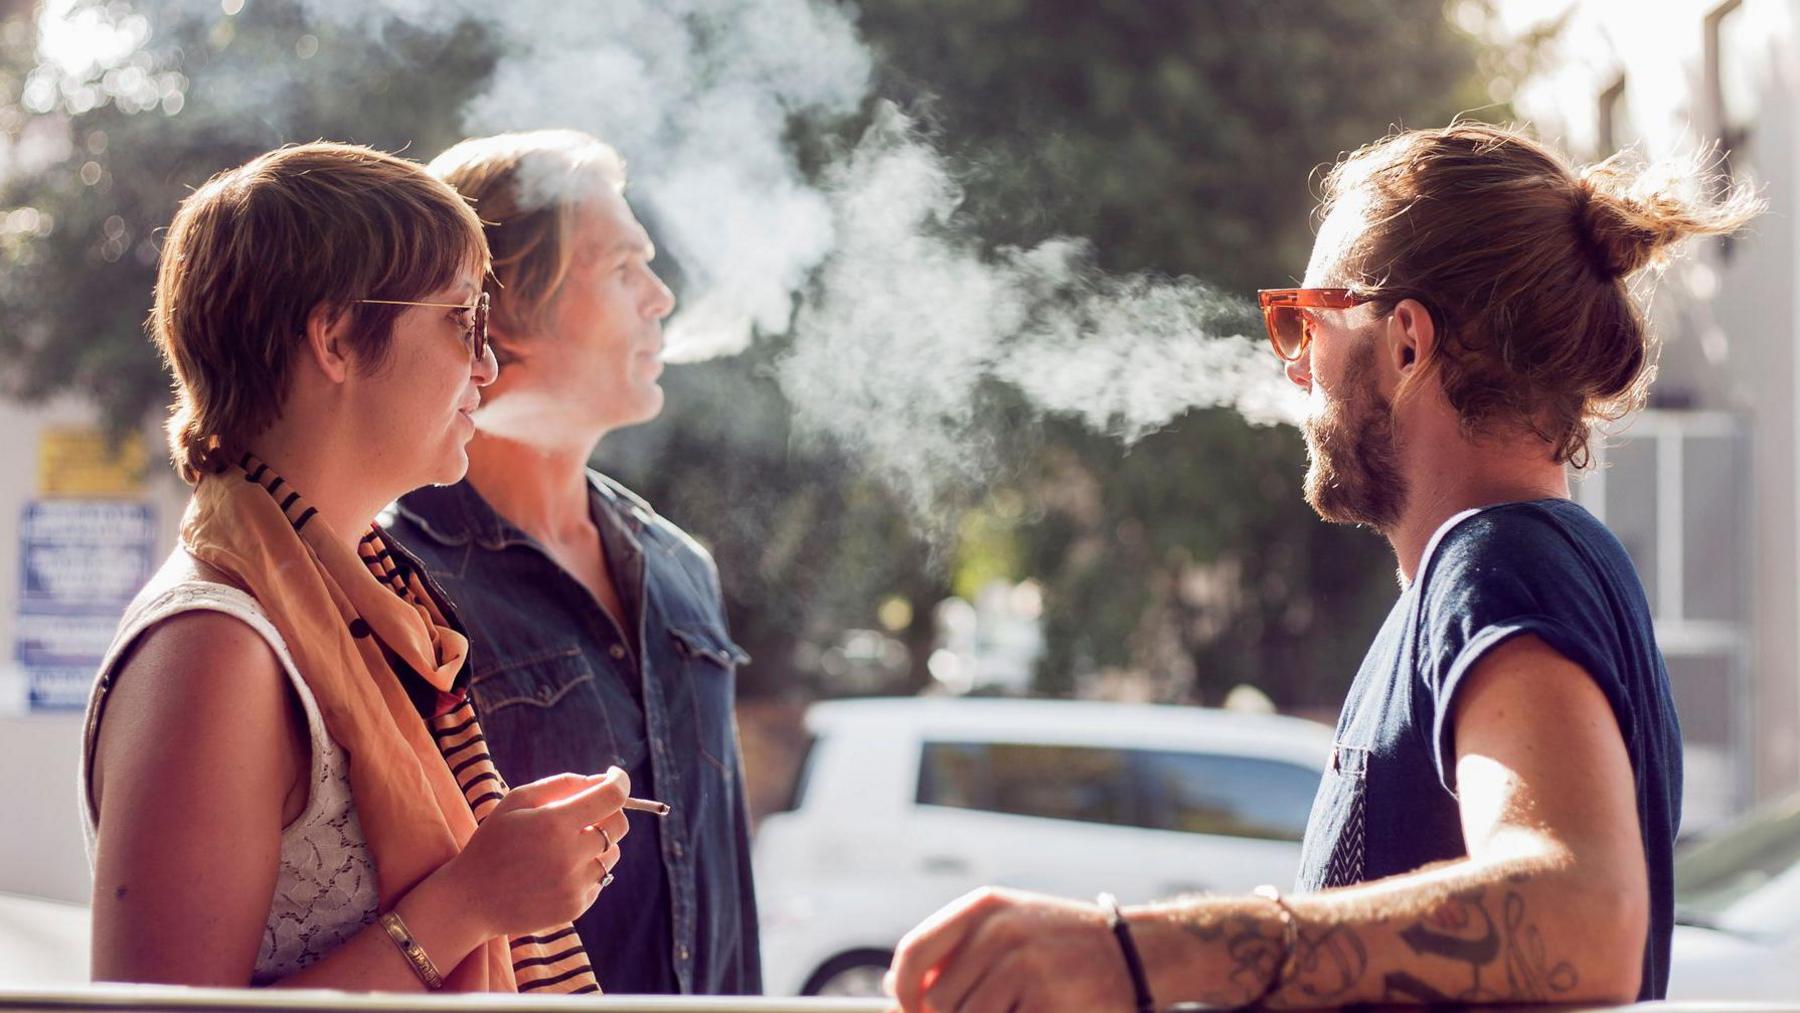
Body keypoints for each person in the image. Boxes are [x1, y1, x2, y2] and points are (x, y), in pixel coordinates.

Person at [885, 122, 1760, 1010]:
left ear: (1408, 344)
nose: (1295, 367)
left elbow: (1584, 916)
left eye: (1305, 322)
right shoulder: (1500, 570)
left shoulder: (1499, 560)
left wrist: (1138, 953)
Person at [82, 141, 631, 993]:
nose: (486, 365)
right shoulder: (214, 645)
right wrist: (472, 901)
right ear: (336, 338)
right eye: (462, 320)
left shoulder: (370, 604)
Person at [384, 129, 760, 995]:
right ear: (501, 311)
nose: (662, 298)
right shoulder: (394, 575)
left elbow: (726, 889)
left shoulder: (679, 569)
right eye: (625, 269)